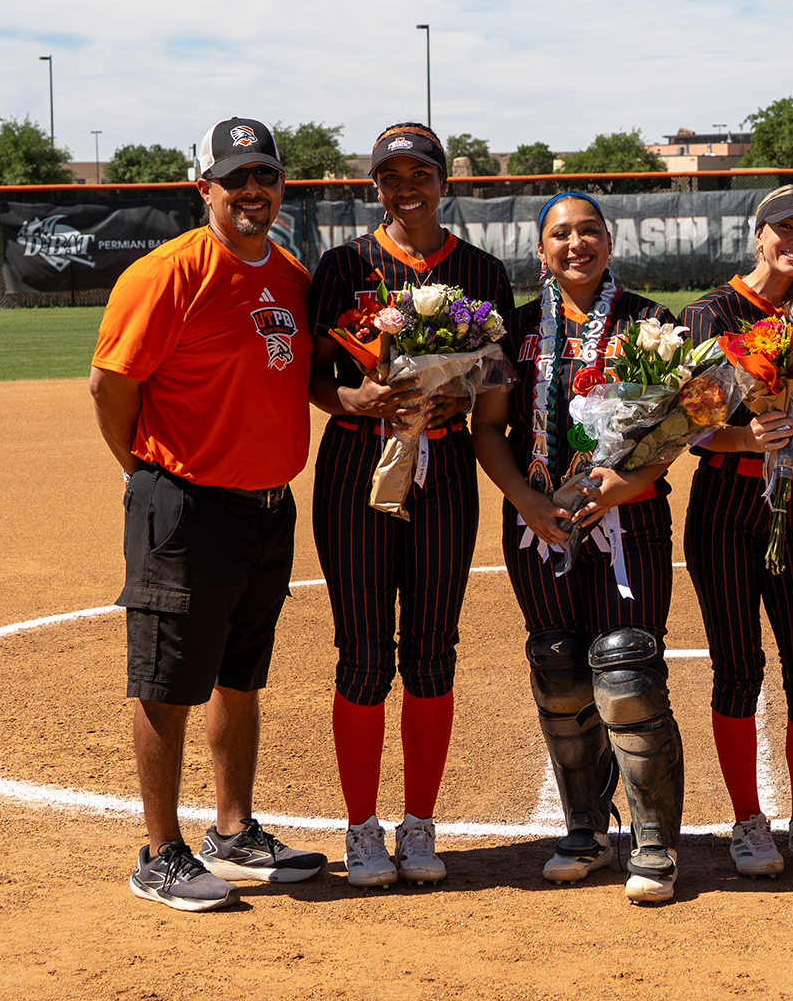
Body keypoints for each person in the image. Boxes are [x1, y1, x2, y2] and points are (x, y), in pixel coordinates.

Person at [91, 116, 327, 912]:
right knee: (165, 681)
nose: (251, 190)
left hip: (267, 506)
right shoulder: (168, 273)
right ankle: (159, 852)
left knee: (239, 676)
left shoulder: (292, 275)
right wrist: (146, 476)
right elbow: (110, 388)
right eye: (234, 178)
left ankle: (234, 832)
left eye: (264, 174)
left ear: (280, 185)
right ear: (205, 189)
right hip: (186, 502)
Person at [305, 122, 516, 889]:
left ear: (443, 181)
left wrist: (453, 387)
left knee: (432, 650)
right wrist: (353, 396)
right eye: (391, 178)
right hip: (360, 461)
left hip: (448, 460)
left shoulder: (482, 271)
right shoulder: (342, 266)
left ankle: (419, 824)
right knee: (362, 653)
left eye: (418, 175)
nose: (406, 189)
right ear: (376, 188)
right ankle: (362, 828)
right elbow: (313, 377)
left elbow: (496, 381)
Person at [469, 191, 687, 904]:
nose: (575, 244)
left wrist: (622, 488)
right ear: (541, 251)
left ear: (609, 239)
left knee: (626, 667)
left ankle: (654, 840)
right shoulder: (518, 330)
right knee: (559, 666)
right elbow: (488, 429)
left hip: (629, 520)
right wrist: (529, 502)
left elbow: (675, 431)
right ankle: (586, 827)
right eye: (560, 234)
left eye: (588, 230)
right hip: (538, 525)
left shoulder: (651, 324)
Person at [679, 185, 793, 877]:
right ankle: (748, 822)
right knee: (739, 668)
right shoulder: (708, 312)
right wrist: (744, 439)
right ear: (759, 233)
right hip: (725, 505)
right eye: (785, 227)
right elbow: (687, 418)